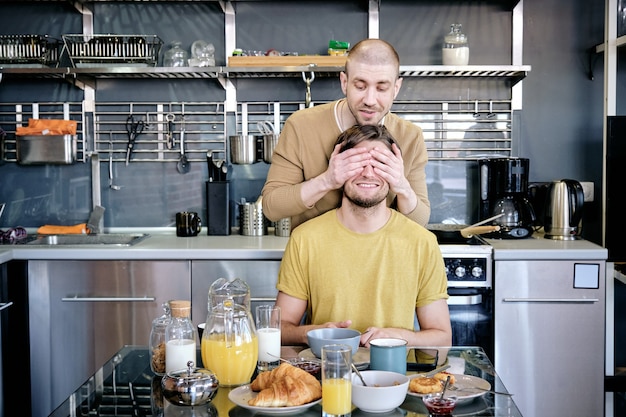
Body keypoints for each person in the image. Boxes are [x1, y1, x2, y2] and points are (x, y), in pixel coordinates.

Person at [274, 125, 451, 348]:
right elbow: (278, 330)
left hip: (398, 379)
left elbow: (442, 338)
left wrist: (398, 338)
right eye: (356, 164)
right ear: (337, 168)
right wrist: (312, 333)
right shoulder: (305, 238)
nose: (368, 173)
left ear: (395, 173)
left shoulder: (422, 242)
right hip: (326, 376)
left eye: (380, 165)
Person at [262, 38, 430, 230]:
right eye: (360, 86)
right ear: (344, 82)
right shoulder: (300, 126)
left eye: (382, 88)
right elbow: (271, 207)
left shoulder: (410, 137)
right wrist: (327, 180)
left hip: (385, 258)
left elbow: (421, 221)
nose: (370, 100)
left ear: (396, 88)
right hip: (314, 256)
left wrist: (402, 186)